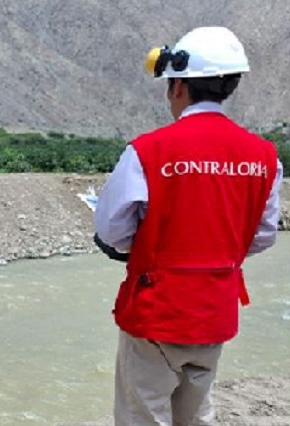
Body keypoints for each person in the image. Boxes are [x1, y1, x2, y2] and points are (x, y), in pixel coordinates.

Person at [93, 26, 283, 425]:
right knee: (196, 415)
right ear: (229, 86)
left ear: (178, 86)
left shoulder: (147, 150)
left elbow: (113, 231)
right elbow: (263, 234)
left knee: (143, 415)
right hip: (214, 312)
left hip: (155, 314)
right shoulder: (264, 157)